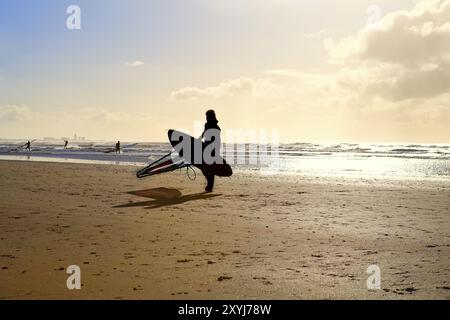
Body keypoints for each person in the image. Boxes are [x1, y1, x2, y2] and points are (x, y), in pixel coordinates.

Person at [200, 109, 221, 192]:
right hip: (206, 147)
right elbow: (204, 134)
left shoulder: (216, 127)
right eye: (206, 116)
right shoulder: (207, 124)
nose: (206, 118)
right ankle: (209, 184)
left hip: (213, 149)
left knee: (210, 168)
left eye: (208, 116)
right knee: (204, 167)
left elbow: (217, 140)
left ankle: (210, 186)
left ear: (212, 116)